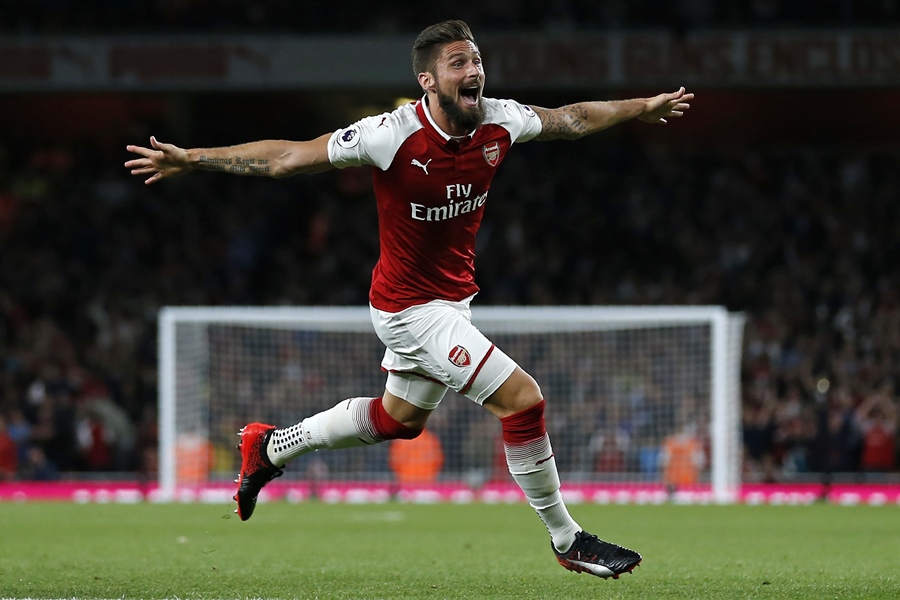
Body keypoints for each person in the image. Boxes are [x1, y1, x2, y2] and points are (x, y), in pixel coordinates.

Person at [125, 19, 692, 579]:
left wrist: (641, 107)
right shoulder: (390, 134)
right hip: (409, 310)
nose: (474, 71)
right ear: (428, 81)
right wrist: (193, 158)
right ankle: (568, 538)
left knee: (398, 420)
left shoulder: (500, 119)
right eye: (458, 64)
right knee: (524, 401)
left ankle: (271, 447)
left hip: (451, 303)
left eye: (476, 60)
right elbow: (288, 158)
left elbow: (572, 119)